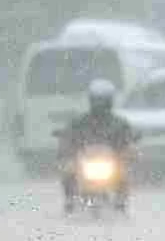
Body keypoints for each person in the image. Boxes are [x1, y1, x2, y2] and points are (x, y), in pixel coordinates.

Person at [57, 78, 135, 211]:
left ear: (110, 101)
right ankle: (70, 199)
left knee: (124, 172)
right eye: (97, 100)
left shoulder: (119, 123)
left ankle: (120, 200)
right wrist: (66, 144)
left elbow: (129, 140)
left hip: (112, 163)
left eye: (103, 100)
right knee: (68, 169)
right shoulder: (80, 122)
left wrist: (128, 150)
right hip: (84, 162)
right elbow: (68, 137)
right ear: (91, 100)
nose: (100, 104)